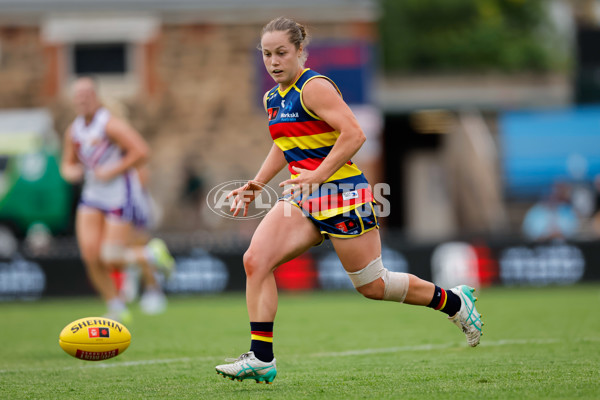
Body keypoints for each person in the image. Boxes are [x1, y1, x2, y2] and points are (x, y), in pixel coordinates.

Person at [214, 17, 483, 384]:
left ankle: (454, 302)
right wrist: (258, 183)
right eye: (266, 54)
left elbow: (354, 134)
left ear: (299, 52)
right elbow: (284, 142)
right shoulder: (272, 97)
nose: (273, 61)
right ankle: (261, 357)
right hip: (304, 197)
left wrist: (318, 175)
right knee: (255, 260)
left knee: (373, 285)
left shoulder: (315, 87)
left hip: (342, 196)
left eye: (281, 53)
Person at [60, 77, 175, 323]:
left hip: (119, 195)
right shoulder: (74, 130)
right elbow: (67, 164)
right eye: (78, 96)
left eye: (87, 95)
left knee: (110, 256)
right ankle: (115, 305)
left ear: (96, 96)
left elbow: (142, 152)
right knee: (90, 255)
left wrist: (112, 170)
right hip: (92, 196)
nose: (82, 100)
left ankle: (150, 257)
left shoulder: (110, 125)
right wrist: (72, 172)